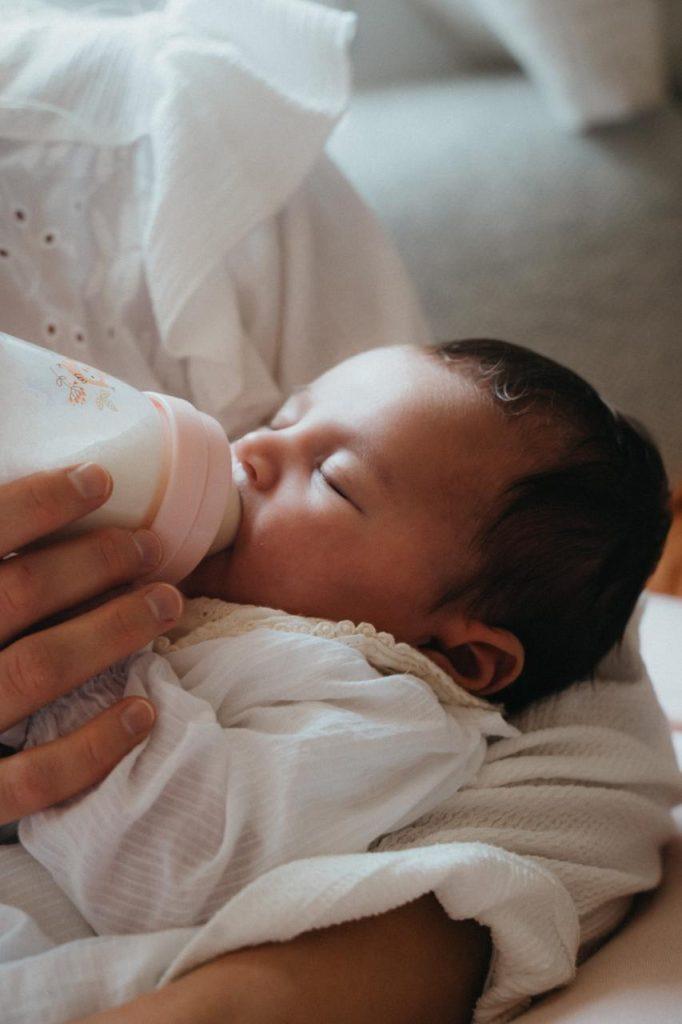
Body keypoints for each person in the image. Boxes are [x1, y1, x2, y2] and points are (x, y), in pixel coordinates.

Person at [0, 336, 671, 941]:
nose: (252, 451)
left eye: (334, 479)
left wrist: (86, 656)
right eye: (282, 421)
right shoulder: (205, 603)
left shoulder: (377, 710)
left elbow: (172, 869)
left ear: (460, 656)